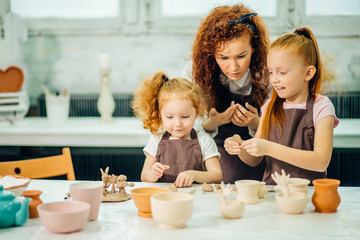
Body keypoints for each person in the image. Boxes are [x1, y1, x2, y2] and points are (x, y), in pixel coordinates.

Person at [224, 27, 339, 184]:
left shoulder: (322, 106)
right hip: (273, 192)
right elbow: (253, 160)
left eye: (282, 72)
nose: (274, 80)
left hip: (309, 193)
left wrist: (269, 148)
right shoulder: (269, 106)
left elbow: (321, 162)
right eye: (271, 72)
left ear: (308, 73)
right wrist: (240, 146)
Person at [182, 4, 270, 183]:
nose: (233, 67)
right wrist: (212, 123)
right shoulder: (195, 71)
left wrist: (257, 123)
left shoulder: (268, 71)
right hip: (211, 159)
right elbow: (182, 123)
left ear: (253, 47)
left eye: (241, 56)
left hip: (258, 158)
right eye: (223, 58)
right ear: (211, 53)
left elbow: (284, 127)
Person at [132, 71, 223, 188]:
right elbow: (144, 175)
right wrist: (153, 173)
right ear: (160, 115)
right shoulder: (156, 139)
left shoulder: (204, 140)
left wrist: (194, 175)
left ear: (196, 114)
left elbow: (216, 175)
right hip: (163, 197)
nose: (178, 124)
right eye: (169, 117)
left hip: (195, 199)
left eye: (185, 117)